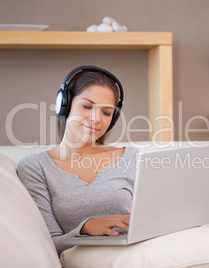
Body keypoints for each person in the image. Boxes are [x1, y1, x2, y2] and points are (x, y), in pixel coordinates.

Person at [17, 66, 139, 255]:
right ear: (64, 104)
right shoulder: (35, 167)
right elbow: (49, 245)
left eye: (106, 112)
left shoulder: (133, 158)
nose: (96, 119)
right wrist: (85, 228)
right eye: (87, 106)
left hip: (140, 254)